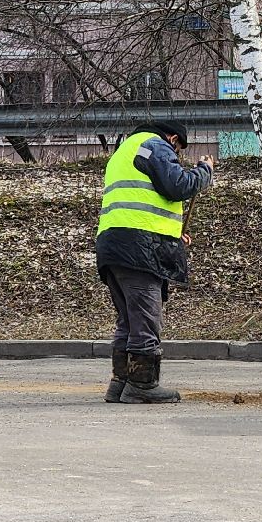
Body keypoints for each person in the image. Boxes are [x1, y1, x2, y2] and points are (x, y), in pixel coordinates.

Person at [96, 120, 213, 404]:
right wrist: (204, 171)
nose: (176, 155)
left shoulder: (125, 151)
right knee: (146, 320)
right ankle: (142, 385)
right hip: (138, 249)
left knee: (129, 321)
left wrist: (171, 234)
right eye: (178, 149)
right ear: (173, 138)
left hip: (115, 245)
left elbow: (142, 202)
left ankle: (120, 383)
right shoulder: (154, 145)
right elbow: (178, 185)